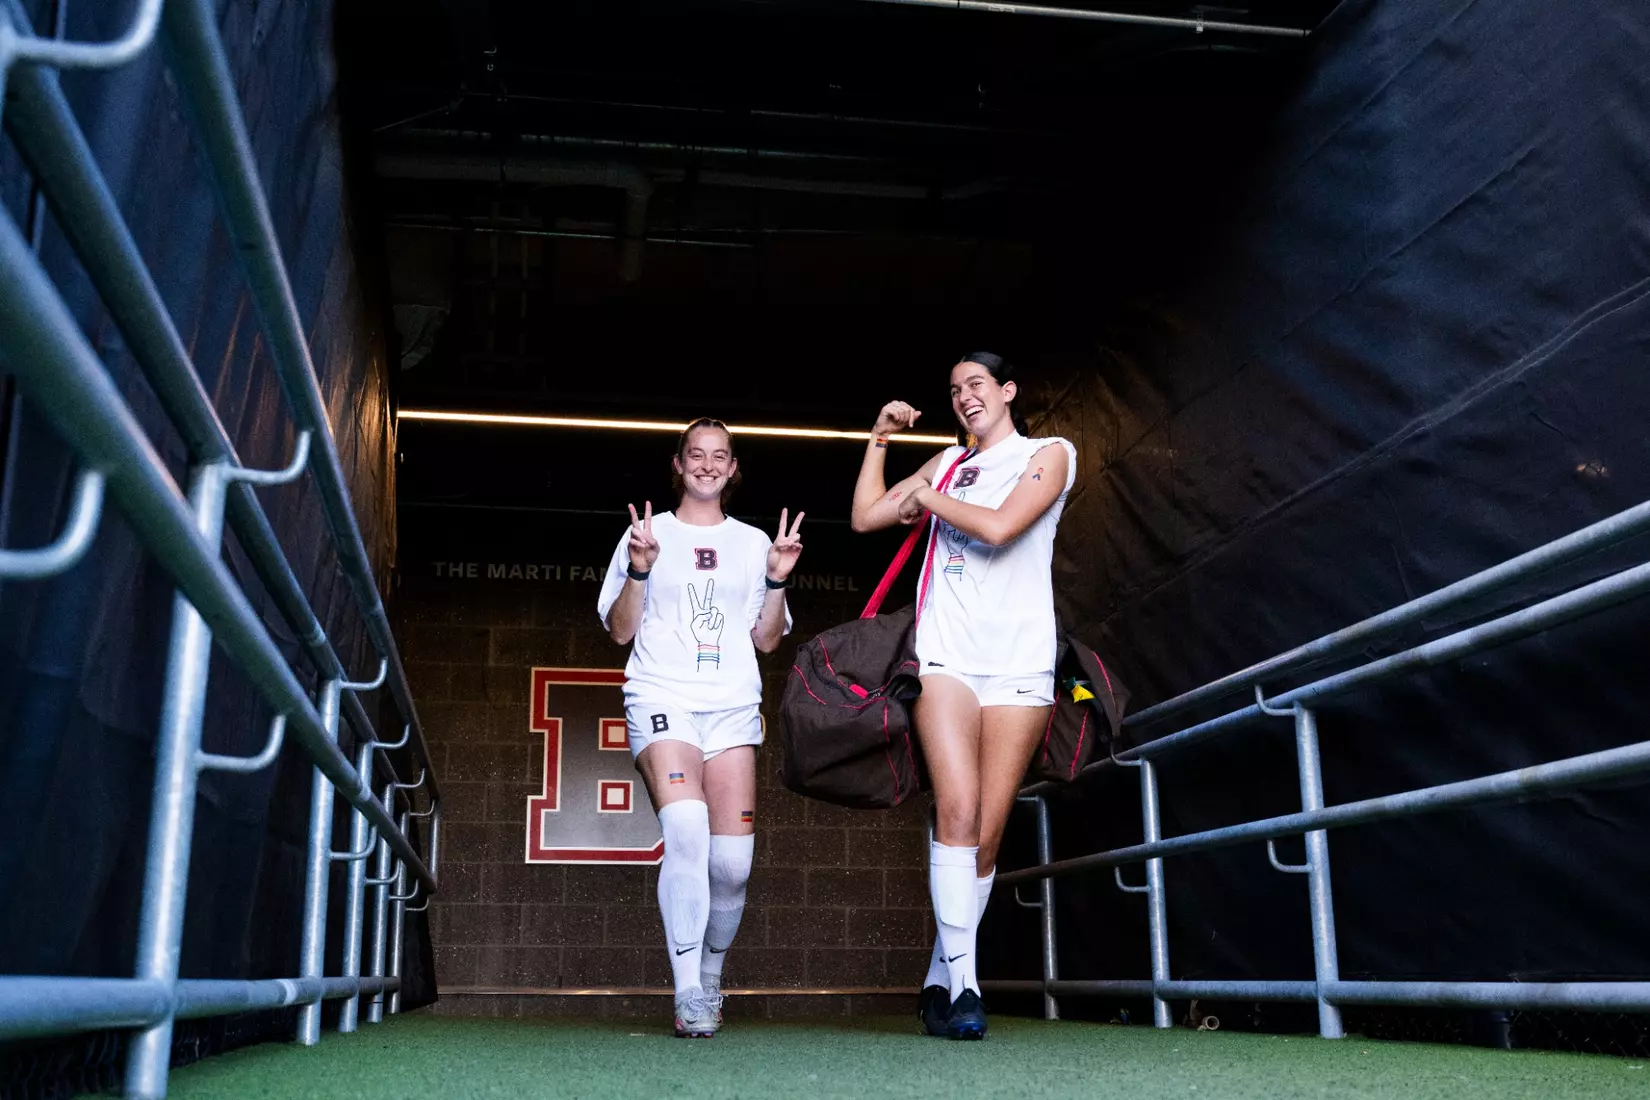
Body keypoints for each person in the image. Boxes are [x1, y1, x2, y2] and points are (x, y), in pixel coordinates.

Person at [849, 352, 1076, 1040]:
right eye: (954, 390)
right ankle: (969, 988)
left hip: (1020, 660)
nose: (965, 396)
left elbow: (1003, 526)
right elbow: (864, 517)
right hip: (947, 655)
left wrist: (928, 498)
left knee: (985, 836)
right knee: (956, 808)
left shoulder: (1050, 453)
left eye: (977, 384)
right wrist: (881, 440)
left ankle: (940, 975)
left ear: (1007, 391)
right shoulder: (945, 464)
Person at [597, 417, 804, 1038]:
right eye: (697, 454)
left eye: (721, 456)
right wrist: (639, 568)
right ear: (679, 464)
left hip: (732, 708)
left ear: (733, 468)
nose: (708, 465)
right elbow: (621, 632)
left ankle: (712, 974)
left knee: (733, 865)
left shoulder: (752, 541)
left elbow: (767, 640)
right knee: (686, 825)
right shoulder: (646, 533)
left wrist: (775, 579)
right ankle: (688, 992)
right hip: (663, 697)